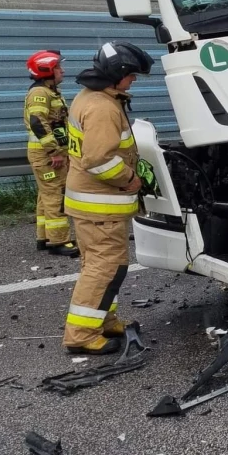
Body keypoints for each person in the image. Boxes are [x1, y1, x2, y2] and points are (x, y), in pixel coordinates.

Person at [62, 42, 154, 355]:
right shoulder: (102, 108)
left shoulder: (91, 97)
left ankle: (103, 319)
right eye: (132, 74)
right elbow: (98, 159)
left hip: (91, 203)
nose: (134, 80)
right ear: (117, 73)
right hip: (99, 204)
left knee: (104, 267)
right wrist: (130, 179)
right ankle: (82, 335)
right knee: (103, 269)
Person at [24, 50, 79, 257]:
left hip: (48, 154)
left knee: (46, 195)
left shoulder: (49, 92)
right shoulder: (40, 93)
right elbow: (38, 122)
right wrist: (54, 152)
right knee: (55, 195)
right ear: (46, 70)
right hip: (47, 155)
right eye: (57, 68)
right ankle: (59, 241)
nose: (62, 71)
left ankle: (45, 238)